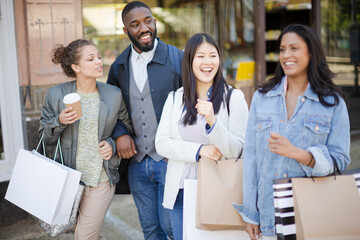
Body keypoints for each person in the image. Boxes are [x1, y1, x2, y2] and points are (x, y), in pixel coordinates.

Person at [234, 23, 351, 240]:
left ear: (311, 52)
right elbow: (251, 159)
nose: (286, 55)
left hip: (313, 216)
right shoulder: (262, 98)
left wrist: (301, 155)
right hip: (268, 218)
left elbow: (340, 159)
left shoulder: (332, 104)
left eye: (294, 48)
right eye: (282, 49)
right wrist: (251, 213)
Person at [155, 33, 249, 240]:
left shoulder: (234, 97)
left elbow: (239, 150)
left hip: (222, 190)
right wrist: (199, 151)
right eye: (200, 56)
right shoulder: (174, 98)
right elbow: (161, 143)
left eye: (213, 55)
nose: (208, 62)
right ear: (189, 61)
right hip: (182, 190)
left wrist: (213, 122)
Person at [39, 39, 132, 240]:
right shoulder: (57, 94)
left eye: (98, 56)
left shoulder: (113, 94)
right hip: (68, 181)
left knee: (85, 236)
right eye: (91, 59)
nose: (99, 61)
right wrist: (59, 120)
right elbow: (44, 138)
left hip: (101, 179)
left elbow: (126, 128)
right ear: (76, 67)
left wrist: (113, 145)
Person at [106, 1, 183, 239]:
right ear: (126, 31)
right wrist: (120, 133)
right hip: (138, 164)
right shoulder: (119, 66)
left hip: (171, 161)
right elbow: (112, 109)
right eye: (135, 24)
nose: (144, 28)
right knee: (151, 230)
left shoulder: (177, 58)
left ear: (154, 22)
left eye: (148, 21)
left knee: (174, 227)